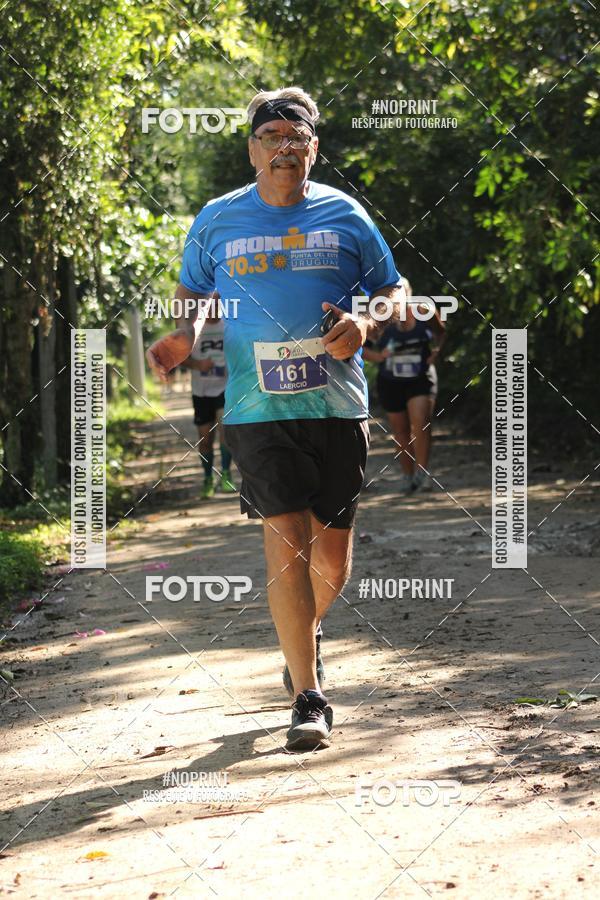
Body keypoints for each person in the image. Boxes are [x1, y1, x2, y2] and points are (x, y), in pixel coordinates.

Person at [146, 86, 403, 752]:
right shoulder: (218, 219)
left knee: (332, 561)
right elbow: (194, 290)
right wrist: (186, 334)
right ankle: (308, 696)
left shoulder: (346, 215)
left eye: (297, 136)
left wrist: (365, 322)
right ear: (252, 148)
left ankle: (303, 637)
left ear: (314, 147)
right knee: (286, 540)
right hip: (256, 409)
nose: (284, 146)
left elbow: (392, 287)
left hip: (337, 405)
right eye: (272, 136)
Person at [363, 278, 446, 493]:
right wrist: (378, 357)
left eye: (402, 292)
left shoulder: (424, 311)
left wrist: (436, 352)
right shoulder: (380, 319)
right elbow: (360, 346)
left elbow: (441, 333)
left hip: (420, 377)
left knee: (421, 423)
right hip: (391, 381)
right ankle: (409, 477)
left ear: (409, 293)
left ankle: (422, 474)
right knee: (401, 432)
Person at [178, 301, 236, 499]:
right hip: (201, 391)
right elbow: (180, 356)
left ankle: (226, 474)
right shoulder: (194, 328)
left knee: (225, 432)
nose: (213, 307)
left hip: (225, 389)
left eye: (217, 302)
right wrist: (198, 364)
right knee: (205, 440)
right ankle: (208, 479)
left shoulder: (229, 326)